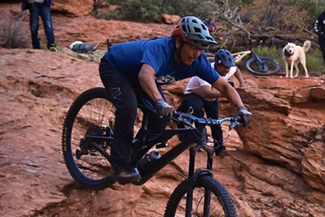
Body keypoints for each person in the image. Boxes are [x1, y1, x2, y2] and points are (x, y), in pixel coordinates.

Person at [99, 16, 252, 183]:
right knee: (129, 108)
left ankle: (131, 152)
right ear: (178, 42)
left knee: (161, 118)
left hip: (143, 79)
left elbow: (224, 87)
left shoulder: (198, 61)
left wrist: (241, 108)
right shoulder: (161, 49)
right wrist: (159, 101)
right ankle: (119, 163)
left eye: (200, 49)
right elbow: (145, 75)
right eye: (193, 47)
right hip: (116, 67)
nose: (196, 54)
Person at [178, 48, 246, 157]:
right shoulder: (206, 70)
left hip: (212, 96)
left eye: (228, 67)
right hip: (195, 93)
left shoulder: (229, 68)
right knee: (198, 114)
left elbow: (236, 69)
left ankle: (219, 148)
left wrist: (242, 84)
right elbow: (207, 93)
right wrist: (226, 93)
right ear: (217, 64)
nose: (226, 70)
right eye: (224, 67)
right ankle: (198, 139)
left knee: (215, 121)